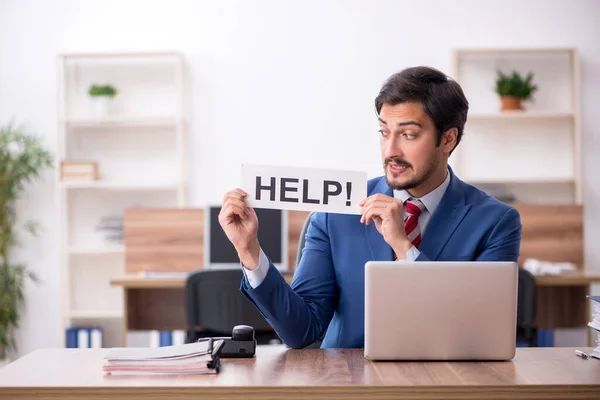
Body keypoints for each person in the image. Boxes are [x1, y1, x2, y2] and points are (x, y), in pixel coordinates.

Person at [218, 66, 522, 349]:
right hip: (349, 383)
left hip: (444, 383)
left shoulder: (496, 222)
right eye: (384, 132)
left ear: (448, 139)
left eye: (408, 134)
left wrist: (404, 248)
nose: (391, 150)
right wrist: (249, 250)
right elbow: (301, 331)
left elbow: (479, 333)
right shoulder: (339, 208)